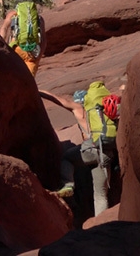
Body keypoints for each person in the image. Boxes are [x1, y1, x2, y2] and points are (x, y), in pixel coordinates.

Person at [48, 81, 120, 217]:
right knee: (101, 195)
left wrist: (40, 91)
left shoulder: (80, 110)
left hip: (90, 150)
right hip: (106, 153)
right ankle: (102, 223)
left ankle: (68, 184)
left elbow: (60, 101)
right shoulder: (102, 111)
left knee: (67, 158)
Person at [0, 0, 47, 76]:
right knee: (28, 83)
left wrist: (0, 45)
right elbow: (44, 39)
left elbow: (4, 29)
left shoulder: (13, 14)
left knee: (11, 77)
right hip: (32, 52)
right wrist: (39, 56)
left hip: (16, 48)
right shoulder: (38, 18)